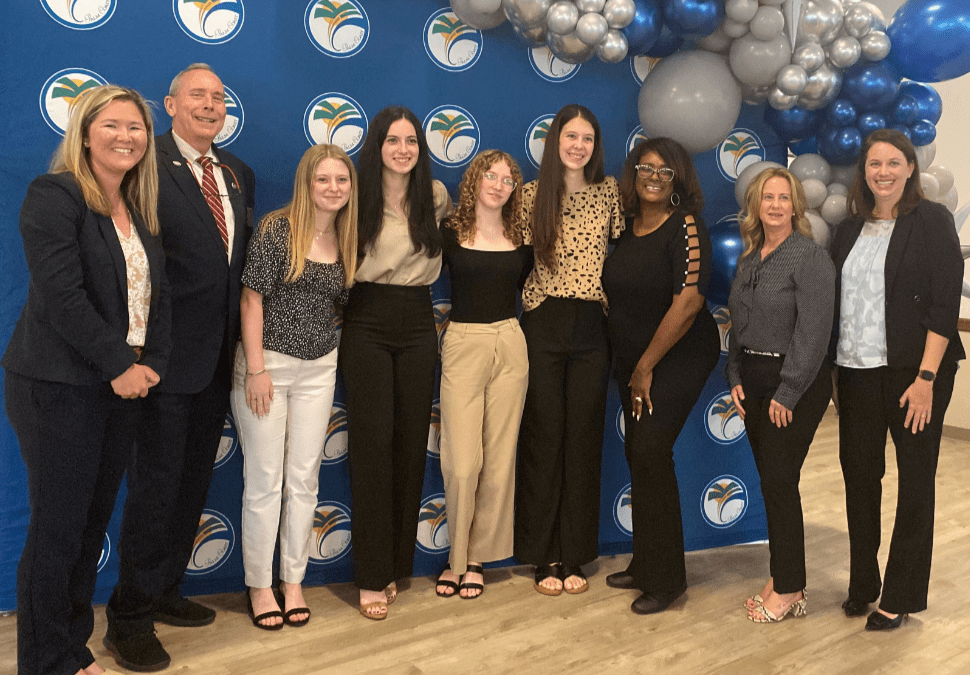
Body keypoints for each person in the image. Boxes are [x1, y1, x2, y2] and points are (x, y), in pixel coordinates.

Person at [3, 85, 169, 675]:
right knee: (57, 530)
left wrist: (151, 365)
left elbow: (156, 299)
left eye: (136, 128)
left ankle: (69, 650)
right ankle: (46, 662)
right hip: (58, 386)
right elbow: (63, 297)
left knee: (88, 525)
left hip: (119, 388)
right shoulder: (55, 195)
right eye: (113, 125)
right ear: (84, 131)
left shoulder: (137, 208)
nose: (127, 137)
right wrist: (121, 364)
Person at [105, 64, 255, 670]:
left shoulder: (239, 174)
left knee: (191, 485)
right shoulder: (144, 165)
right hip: (161, 364)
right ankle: (129, 620)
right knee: (154, 492)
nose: (210, 105)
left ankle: (165, 590)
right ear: (169, 104)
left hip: (218, 362)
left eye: (219, 96)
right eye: (198, 95)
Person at [831, 129, 964, 631]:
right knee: (859, 479)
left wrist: (928, 376)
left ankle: (900, 594)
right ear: (863, 172)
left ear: (910, 168)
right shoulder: (848, 229)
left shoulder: (931, 220)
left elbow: (943, 305)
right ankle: (863, 582)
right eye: (873, 164)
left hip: (917, 376)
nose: (882, 172)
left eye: (892, 163)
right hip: (858, 373)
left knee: (914, 483)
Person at [230, 144, 357, 629]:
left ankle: (293, 581)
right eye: (323, 179)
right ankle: (260, 587)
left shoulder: (348, 235)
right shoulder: (277, 228)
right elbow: (251, 300)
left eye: (341, 180)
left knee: (304, 480)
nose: (332, 188)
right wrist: (257, 369)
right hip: (267, 368)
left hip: (319, 369)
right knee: (265, 481)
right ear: (306, 183)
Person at [339, 106, 453, 620]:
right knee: (372, 442)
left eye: (411, 140)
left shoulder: (435, 197)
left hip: (416, 317)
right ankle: (369, 574)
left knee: (410, 442)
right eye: (393, 140)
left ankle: (395, 566)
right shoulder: (353, 192)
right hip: (364, 316)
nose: (403, 149)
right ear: (377, 146)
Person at [601, 138, 720, 614]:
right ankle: (645, 562)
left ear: (679, 178)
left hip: (678, 356)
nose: (653, 176)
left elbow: (689, 301)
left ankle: (668, 579)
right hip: (634, 362)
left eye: (664, 170)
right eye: (645, 168)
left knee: (651, 451)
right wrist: (633, 366)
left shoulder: (686, 225)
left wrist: (645, 367)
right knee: (638, 454)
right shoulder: (628, 227)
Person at [514, 104, 622, 596]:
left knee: (582, 436)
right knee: (544, 436)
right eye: (570, 136)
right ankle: (545, 554)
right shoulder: (530, 197)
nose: (578, 145)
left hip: (591, 327)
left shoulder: (610, 194)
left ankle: (575, 551)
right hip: (543, 320)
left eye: (587, 138)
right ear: (554, 140)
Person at [726, 167, 835, 623]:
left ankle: (788, 589)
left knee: (779, 483)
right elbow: (739, 322)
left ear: (796, 205)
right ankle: (784, 575)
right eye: (767, 197)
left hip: (792, 384)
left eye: (783, 197)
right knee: (775, 483)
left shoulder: (809, 258)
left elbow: (814, 333)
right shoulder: (752, 256)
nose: (774, 205)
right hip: (753, 377)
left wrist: (788, 392)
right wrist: (735, 371)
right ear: (755, 205)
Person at [434, 150, 532, 600]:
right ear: (474, 180)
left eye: (508, 178)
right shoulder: (450, 230)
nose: (498, 184)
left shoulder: (520, 233)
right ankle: (455, 558)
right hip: (464, 341)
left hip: (510, 341)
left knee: (498, 459)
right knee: (462, 462)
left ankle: (476, 559)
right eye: (490, 176)